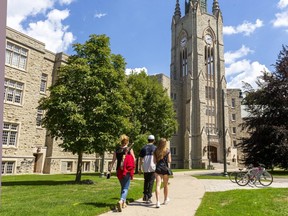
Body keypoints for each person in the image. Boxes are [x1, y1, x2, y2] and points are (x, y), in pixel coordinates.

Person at [108, 134, 135, 212]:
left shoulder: (117, 149)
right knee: (126, 188)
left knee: (123, 187)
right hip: (127, 170)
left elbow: (113, 160)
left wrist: (109, 169)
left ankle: (123, 203)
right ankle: (121, 200)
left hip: (119, 170)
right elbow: (134, 159)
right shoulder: (129, 149)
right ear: (127, 141)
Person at [153, 138, 171, 208]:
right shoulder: (167, 150)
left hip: (158, 169)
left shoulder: (155, 151)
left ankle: (157, 202)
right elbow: (169, 161)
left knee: (158, 185)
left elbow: (154, 161)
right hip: (165, 169)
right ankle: (165, 199)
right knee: (165, 185)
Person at [139, 134, 157, 204]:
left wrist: (140, 168)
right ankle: (149, 196)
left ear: (148, 140)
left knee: (146, 181)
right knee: (151, 182)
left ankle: (145, 195)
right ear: (154, 140)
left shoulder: (143, 148)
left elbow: (141, 159)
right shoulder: (155, 148)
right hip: (153, 167)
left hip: (145, 167)